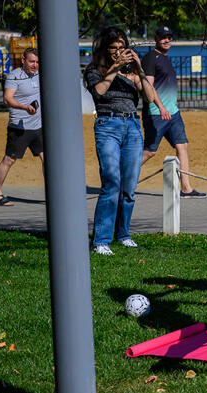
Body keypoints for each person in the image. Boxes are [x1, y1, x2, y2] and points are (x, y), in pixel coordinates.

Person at [84, 27, 155, 255]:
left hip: (132, 126)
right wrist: (115, 68)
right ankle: (101, 240)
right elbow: (99, 92)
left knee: (129, 187)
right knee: (111, 182)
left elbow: (150, 97)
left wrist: (140, 70)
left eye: (121, 47)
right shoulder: (94, 70)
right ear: (104, 49)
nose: (118, 52)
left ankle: (123, 234)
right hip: (108, 125)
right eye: (113, 48)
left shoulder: (131, 72)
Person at [141, 26, 207, 199]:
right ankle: (121, 179)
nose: (167, 40)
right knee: (150, 151)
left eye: (169, 37)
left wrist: (170, 107)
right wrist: (161, 107)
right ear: (156, 38)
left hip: (173, 113)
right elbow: (148, 86)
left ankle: (186, 188)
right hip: (156, 113)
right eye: (163, 37)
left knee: (182, 146)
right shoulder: (150, 58)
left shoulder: (165, 58)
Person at [0, 47, 42, 206]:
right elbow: (7, 99)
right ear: (23, 60)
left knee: (47, 159)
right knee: (9, 159)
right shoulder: (14, 76)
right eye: (32, 61)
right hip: (19, 128)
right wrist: (25, 108)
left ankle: (55, 193)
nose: (35, 65)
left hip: (38, 127)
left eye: (37, 62)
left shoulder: (39, 74)